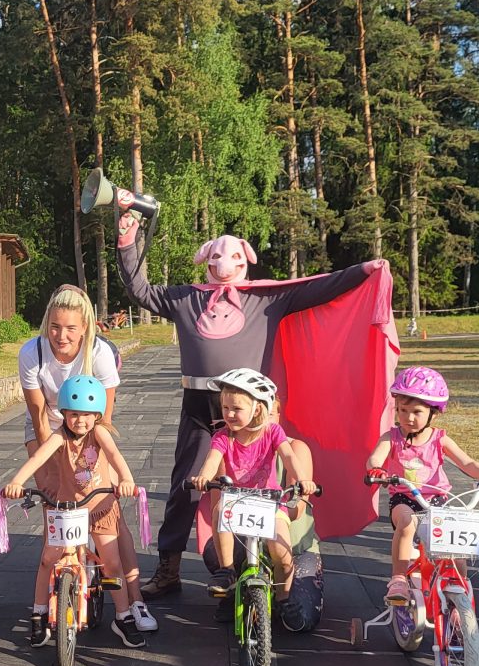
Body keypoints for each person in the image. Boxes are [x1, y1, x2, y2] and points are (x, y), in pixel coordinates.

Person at [115, 217, 386, 600]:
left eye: (233, 257)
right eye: (216, 257)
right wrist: (127, 240)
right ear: (205, 259)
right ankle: (169, 568)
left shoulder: (266, 298)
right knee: (187, 486)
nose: (224, 264)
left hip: (252, 410)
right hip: (199, 405)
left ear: (246, 260)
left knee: (259, 480)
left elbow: (316, 287)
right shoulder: (186, 298)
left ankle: (260, 566)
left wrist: (363, 270)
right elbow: (139, 289)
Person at [18, 284, 154, 632]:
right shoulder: (32, 352)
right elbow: (38, 416)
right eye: (54, 326)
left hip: (92, 427)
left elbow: (104, 419)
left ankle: (134, 600)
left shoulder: (100, 353)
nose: (61, 336)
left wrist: (114, 475)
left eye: (70, 328)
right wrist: (52, 472)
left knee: (108, 505)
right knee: (55, 502)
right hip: (51, 427)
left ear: (85, 327)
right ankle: (51, 594)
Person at [3, 374, 146, 649]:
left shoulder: (99, 433)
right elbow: (39, 457)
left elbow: (114, 455)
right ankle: (39, 612)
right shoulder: (59, 436)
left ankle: (123, 615)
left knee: (112, 563)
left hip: (101, 507)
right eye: (74, 414)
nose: (80, 421)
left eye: (87, 415)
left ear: (97, 416)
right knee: (49, 559)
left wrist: (126, 479)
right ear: (64, 414)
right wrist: (17, 481)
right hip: (68, 510)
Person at [364, 367, 479, 605]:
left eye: (416, 412)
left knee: (454, 542)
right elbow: (375, 457)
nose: (408, 417)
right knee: (407, 521)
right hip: (405, 498)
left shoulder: (440, 438)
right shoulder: (392, 437)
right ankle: (398, 579)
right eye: (402, 410)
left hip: (437, 500)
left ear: (434, 413)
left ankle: (458, 588)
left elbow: (466, 462)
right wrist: (376, 469)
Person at [187, 368, 313, 602]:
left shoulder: (272, 432)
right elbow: (212, 460)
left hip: (269, 501)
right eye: (225, 407)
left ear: (256, 409)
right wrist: (203, 477)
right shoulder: (223, 437)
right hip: (237, 499)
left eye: (236, 408)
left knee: (283, 557)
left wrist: (303, 479)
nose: (229, 414)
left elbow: (288, 456)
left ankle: (283, 598)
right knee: (220, 510)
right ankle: (226, 571)